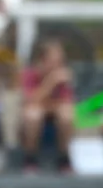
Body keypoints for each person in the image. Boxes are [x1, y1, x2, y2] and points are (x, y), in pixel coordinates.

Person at [21, 40, 75, 174]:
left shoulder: (62, 76)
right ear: (42, 60)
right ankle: (30, 158)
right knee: (33, 115)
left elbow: (66, 103)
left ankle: (64, 158)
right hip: (32, 116)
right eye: (54, 61)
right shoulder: (30, 74)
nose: (58, 65)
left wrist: (48, 104)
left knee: (67, 114)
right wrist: (50, 82)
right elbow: (30, 101)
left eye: (60, 61)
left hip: (53, 112)